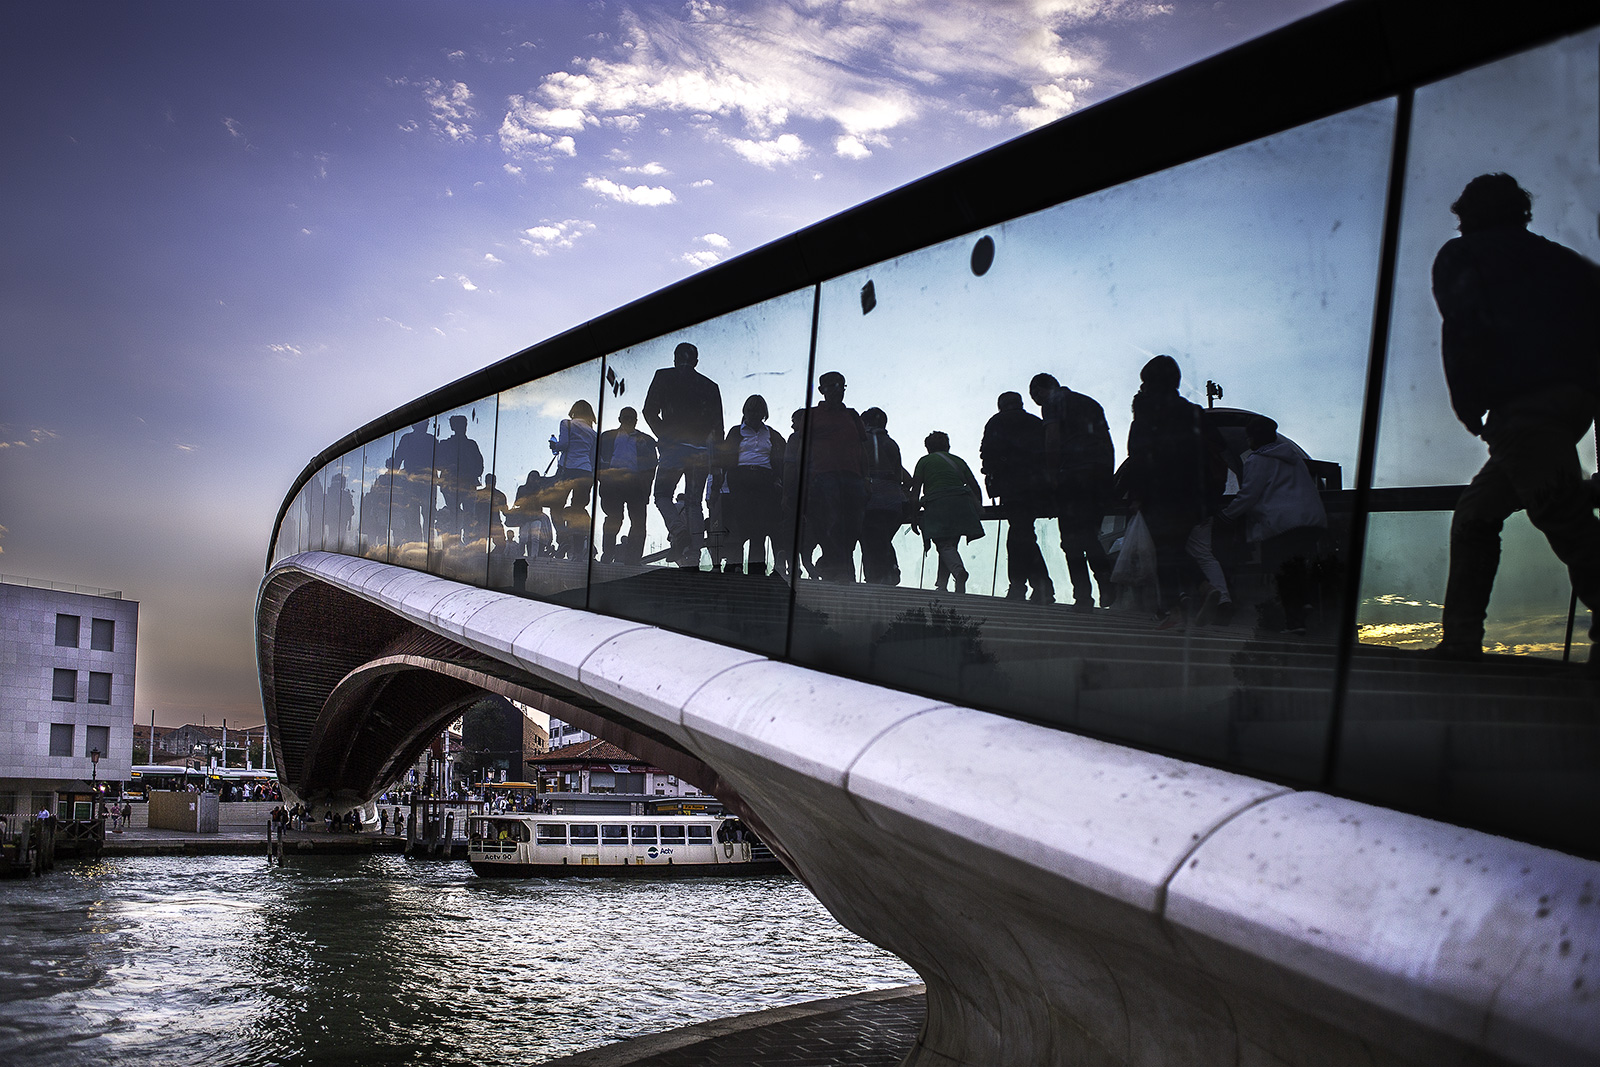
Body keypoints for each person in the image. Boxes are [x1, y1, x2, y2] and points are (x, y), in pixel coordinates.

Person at [1429, 173, 1600, 670]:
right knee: (1476, 516)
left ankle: (1461, 643)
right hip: (1571, 407)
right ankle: (1460, 639)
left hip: (1524, 408)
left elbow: (1463, 327)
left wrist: (1467, 405)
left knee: (1563, 517)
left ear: (1470, 214)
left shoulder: (1463, 255)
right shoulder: (1565, 262)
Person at [1122, 356, 1227, 627]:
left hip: (1159, 493)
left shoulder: (1147, 414)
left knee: (1163, 551)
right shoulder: (1193, 412)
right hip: (1192, 494)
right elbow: (1216, 449)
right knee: (1175, 548)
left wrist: (1137, 495)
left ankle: (1179, 607)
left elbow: (1138, 458)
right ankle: (1201, 591)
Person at [1220, 417, 1329, 634]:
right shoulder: (1293, 458)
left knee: (1281, 571)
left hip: (1282, 525)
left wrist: (1226, 515)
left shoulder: (1257, 460)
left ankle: (1295, 622)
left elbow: (1249, 494)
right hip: (1311, 521)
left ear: (1253, 438)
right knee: (1297, 566)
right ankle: (1305, 602)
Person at [643, 342, 724, 567]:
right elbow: (718, 428)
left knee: (662, 495)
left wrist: (664, 436)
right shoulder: (710, 386)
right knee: (694, 503)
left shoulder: (663, 376)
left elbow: (648, 411)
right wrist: (717, 463)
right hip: (700, 453)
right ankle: (694, 555)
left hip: (674, 448)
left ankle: (678, 532)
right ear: (696, 361)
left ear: (675, 358)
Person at [981, 391, 1054, 603]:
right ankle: (1038, 586)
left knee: (1019, 535)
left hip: (1012, 486)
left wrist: (991, 472)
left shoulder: (997, 422)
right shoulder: (1035, 422)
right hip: (1036, 486)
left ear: (1001, 405)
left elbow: (987, 452)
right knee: (1024, 533)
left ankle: (1023, 586)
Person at [805, 372, 870, 581]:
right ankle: (838, 569)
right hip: (823, 476)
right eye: (831, 385)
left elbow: (862, 448)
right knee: (830, 522)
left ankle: (835, 566)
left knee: (852, 525)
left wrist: (866, 478)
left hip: (853, 477)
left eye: (841, 385)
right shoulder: (812, 415)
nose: (837, 389)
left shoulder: (852, 415)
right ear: (821, 390)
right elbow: (803, 449)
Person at [911, 431, 986, 594]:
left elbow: (915, 490)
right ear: (948, 446)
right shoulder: (958, 461)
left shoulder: (924, 461)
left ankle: (959, 572)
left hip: (938, 504)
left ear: (928, 448)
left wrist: (913, 515)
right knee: (949, 546)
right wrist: (978, 508)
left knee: (943, 545)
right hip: (961, 505)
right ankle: (942, 585)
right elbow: (974, 486)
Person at [719, 395, 785, 575]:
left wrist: (778, 479)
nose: (754, 414)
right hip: (740, 479)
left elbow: (782, 458)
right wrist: (719, 486)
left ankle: (757, 569)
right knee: (738, 523)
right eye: (751, 411)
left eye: (758, 411)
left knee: (760, 527)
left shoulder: (771, 434)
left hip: (765, 480)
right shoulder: (735, 432)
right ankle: (735, 565)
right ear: (745, 412)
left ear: (764, 414)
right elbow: (724, 459)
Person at [597, 406, 658, 564]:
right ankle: (608, 553)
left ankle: (633, 558)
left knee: (638, 521)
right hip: (613, 482)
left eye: (632, 418)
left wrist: (646, 486)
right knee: (614, 518)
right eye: (626, 417)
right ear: (620, 419)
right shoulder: (607, 437)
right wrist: (603, 478)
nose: (629, 420)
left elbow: (652, 464)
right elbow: (597, 458)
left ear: (636, 421)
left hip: (636, 484)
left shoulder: (647, 440)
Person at [861, 408, 911, 586]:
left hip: (871, 498)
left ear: (866, 423)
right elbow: (903, 477)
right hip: (894, 501)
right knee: (882, 538)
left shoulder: (863, 441)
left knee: (869, 540)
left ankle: (876, 577)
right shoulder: (891, 444)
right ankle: (889, 571)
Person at [548, 400, 598, 560]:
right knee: (578, 510)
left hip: (567, 470)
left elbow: (563, 445)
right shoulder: (593, 433)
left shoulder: (566, 424)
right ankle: (577, 551)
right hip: (586, 472)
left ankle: (563, 538)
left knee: (555, 506)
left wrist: (554, 445)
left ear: (573, 411)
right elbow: (593, 457)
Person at [436, 414, 485, 541]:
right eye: (459, 425)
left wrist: (468, 474)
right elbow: (438, 463)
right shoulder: (446, 444)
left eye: (464, 425)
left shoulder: (471, 444)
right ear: (453, 427)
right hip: (451, 485)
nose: (463, 427)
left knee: (469, 514)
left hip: (467, 484)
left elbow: (479, 466)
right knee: (455, 514)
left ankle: (467, 540)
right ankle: (456, 540)